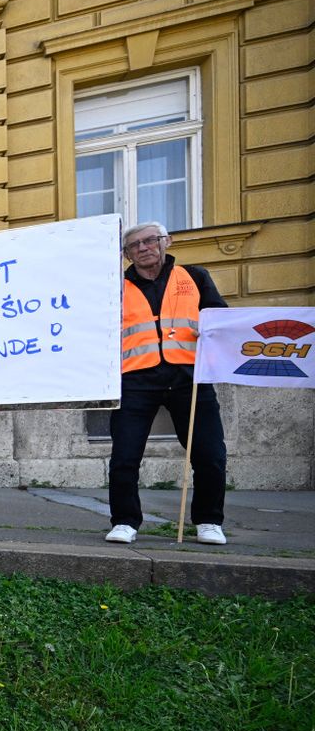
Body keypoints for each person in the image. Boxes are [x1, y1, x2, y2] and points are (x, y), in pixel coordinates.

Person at [107, 222, 229, 546]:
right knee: (124, 457)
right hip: (135, 379)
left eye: (150, 240)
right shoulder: (115, 287)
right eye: (134, 245)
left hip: (189, 378)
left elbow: (220, 319)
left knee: (210, 454)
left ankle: (208, 521)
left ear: (167, 242)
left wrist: (211, 331)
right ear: (126, 255)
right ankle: (124, 522)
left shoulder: (195, 277)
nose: (143, 248)